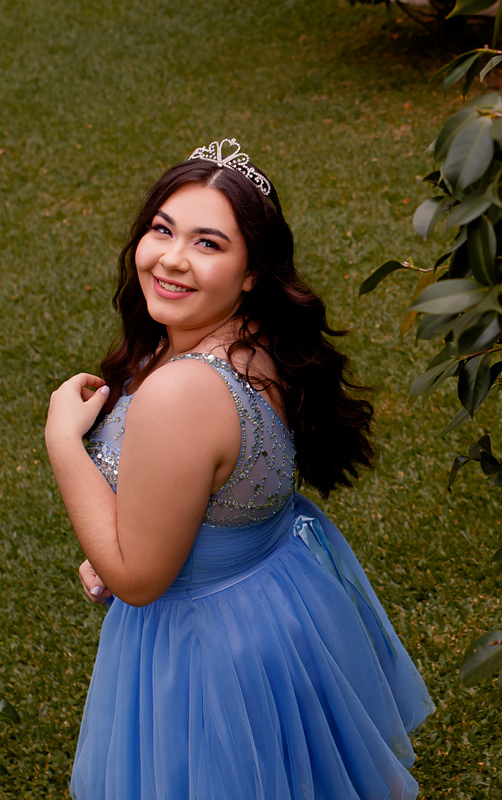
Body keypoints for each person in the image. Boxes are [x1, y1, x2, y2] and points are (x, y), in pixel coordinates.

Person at [44, 138, 433, 799]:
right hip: (269, 608)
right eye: (162, 229)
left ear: (252, 271)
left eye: (208, 243)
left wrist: (62, 441)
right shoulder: (252, 343)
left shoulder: (183, 391)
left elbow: (138, 580)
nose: (172, 258)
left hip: (206, 649)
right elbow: (205, 501)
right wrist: (125, 534)